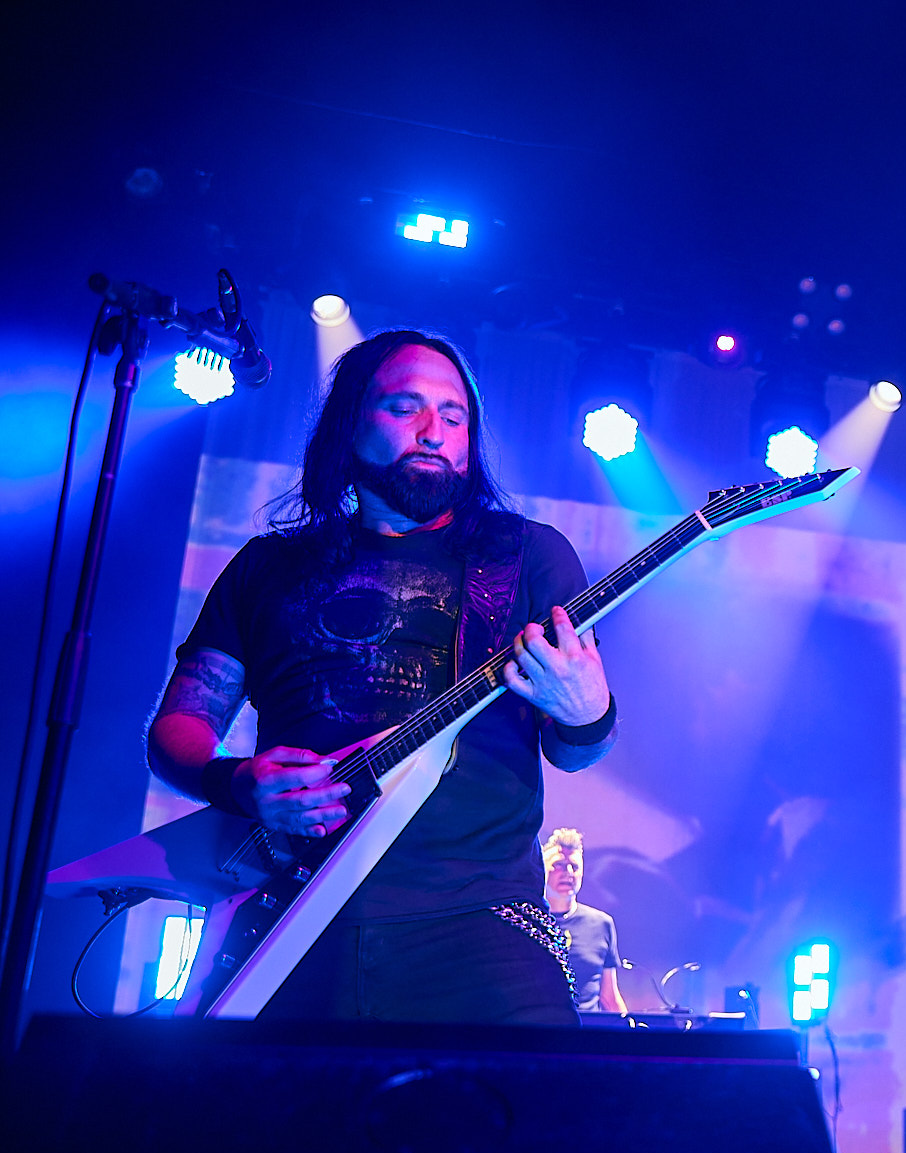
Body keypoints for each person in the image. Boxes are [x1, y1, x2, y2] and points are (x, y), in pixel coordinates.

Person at [147, 330, 619, 1025]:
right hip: (290, 914)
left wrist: (588, 709)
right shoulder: (265, 567)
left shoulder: (526, 555)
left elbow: (576, 749)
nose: (434, 430)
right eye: (406, 407)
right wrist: (239, 781)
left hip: (480, 926)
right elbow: (179, 728)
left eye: (454, 417)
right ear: (350, 423)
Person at [542, 827, 628, 1015]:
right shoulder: (527, 920)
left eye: (575, 866)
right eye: (559, 865)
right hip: (538, 1034)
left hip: (588, 1036)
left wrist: (632, 1039)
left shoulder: (601, 924)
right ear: (541, 869)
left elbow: (609, 996)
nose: (568, 872)